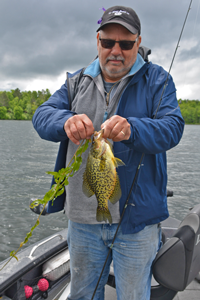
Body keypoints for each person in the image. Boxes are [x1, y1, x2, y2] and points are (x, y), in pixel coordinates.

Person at [32, 5, 184, 300]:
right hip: (82, 222)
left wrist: (134, 129)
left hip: (136, 223)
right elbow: (42, 115)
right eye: (108, 42)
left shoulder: (157, 81)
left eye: (126, 43)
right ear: (97, 41)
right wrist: (65, 121)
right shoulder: (75, 82)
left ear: (138, 44)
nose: (116, 50)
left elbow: (172, 127)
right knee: (83, 295)